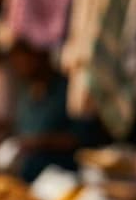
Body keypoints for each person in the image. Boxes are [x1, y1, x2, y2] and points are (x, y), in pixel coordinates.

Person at [7, 39, 85, 181]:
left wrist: (41, 142)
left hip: (60, 177)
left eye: (25, 59)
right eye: (16, 62)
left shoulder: (67, 90)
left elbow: (79, 138)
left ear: (42, 56)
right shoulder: (25, 91)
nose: (20, 66)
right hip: (27, 174)